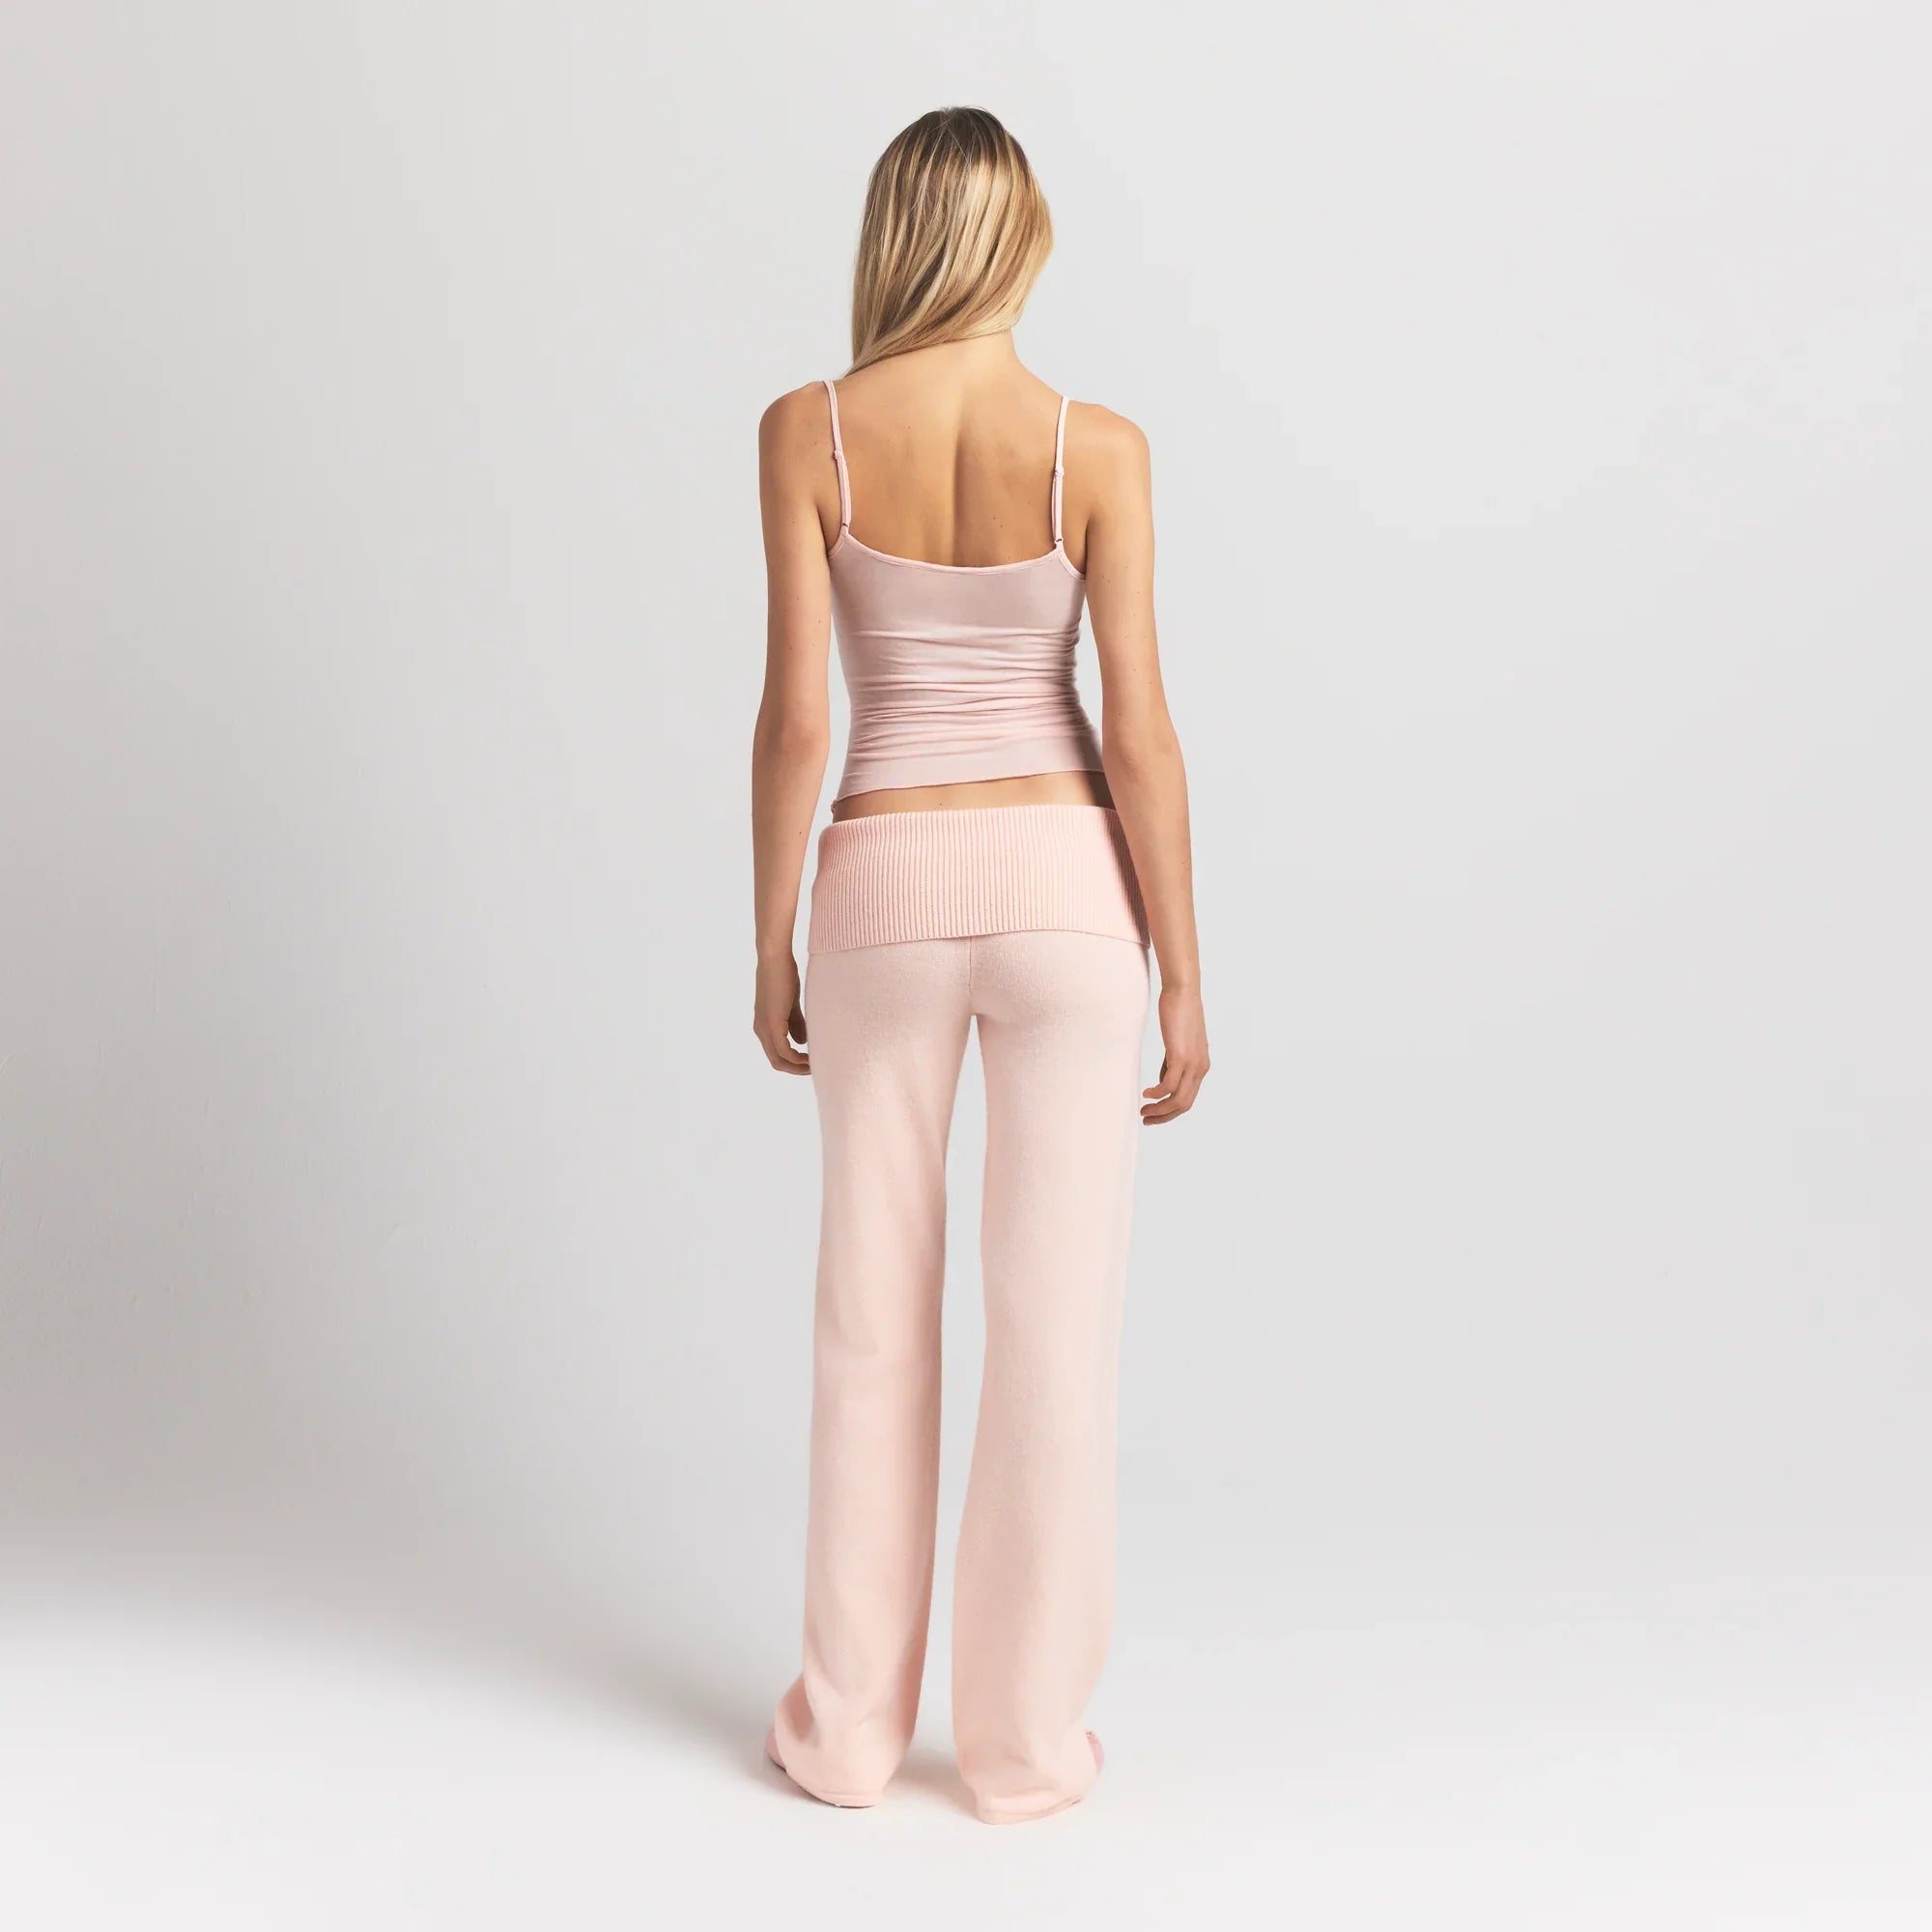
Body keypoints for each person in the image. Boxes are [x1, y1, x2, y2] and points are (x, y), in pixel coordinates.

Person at [751, 106, 1208, 1826]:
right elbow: (1138, 731)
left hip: (881, 881)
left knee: (870, 1321)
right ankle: (1020, 1753)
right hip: (1068, 894)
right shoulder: (1100, 447)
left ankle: (845, 1737)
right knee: (1054, 1328)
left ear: (895, 236)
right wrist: (1182, 969)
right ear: (1020, 243)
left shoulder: (810, 430)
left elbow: (800, 718)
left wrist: (770, 932)